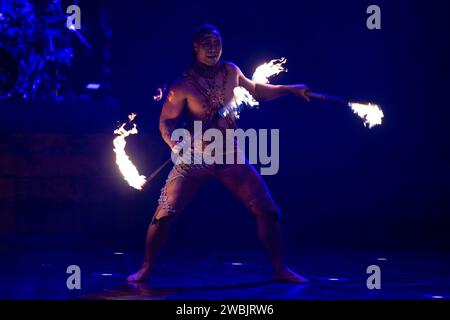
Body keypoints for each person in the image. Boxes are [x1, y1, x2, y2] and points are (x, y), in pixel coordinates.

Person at [127, 24, 311, 283]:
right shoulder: (183, 86)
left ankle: (280, 268)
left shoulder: (232, 71)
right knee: (163, 215)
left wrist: (290, 89)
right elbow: (165, 123)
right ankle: (146, 267)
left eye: (217, 43)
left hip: (230, 155)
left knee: (267, 210)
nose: (213, 49)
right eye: (207, 44)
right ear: (196, 46)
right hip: (196, 158)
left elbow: (256, 90)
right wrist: (176, 146)